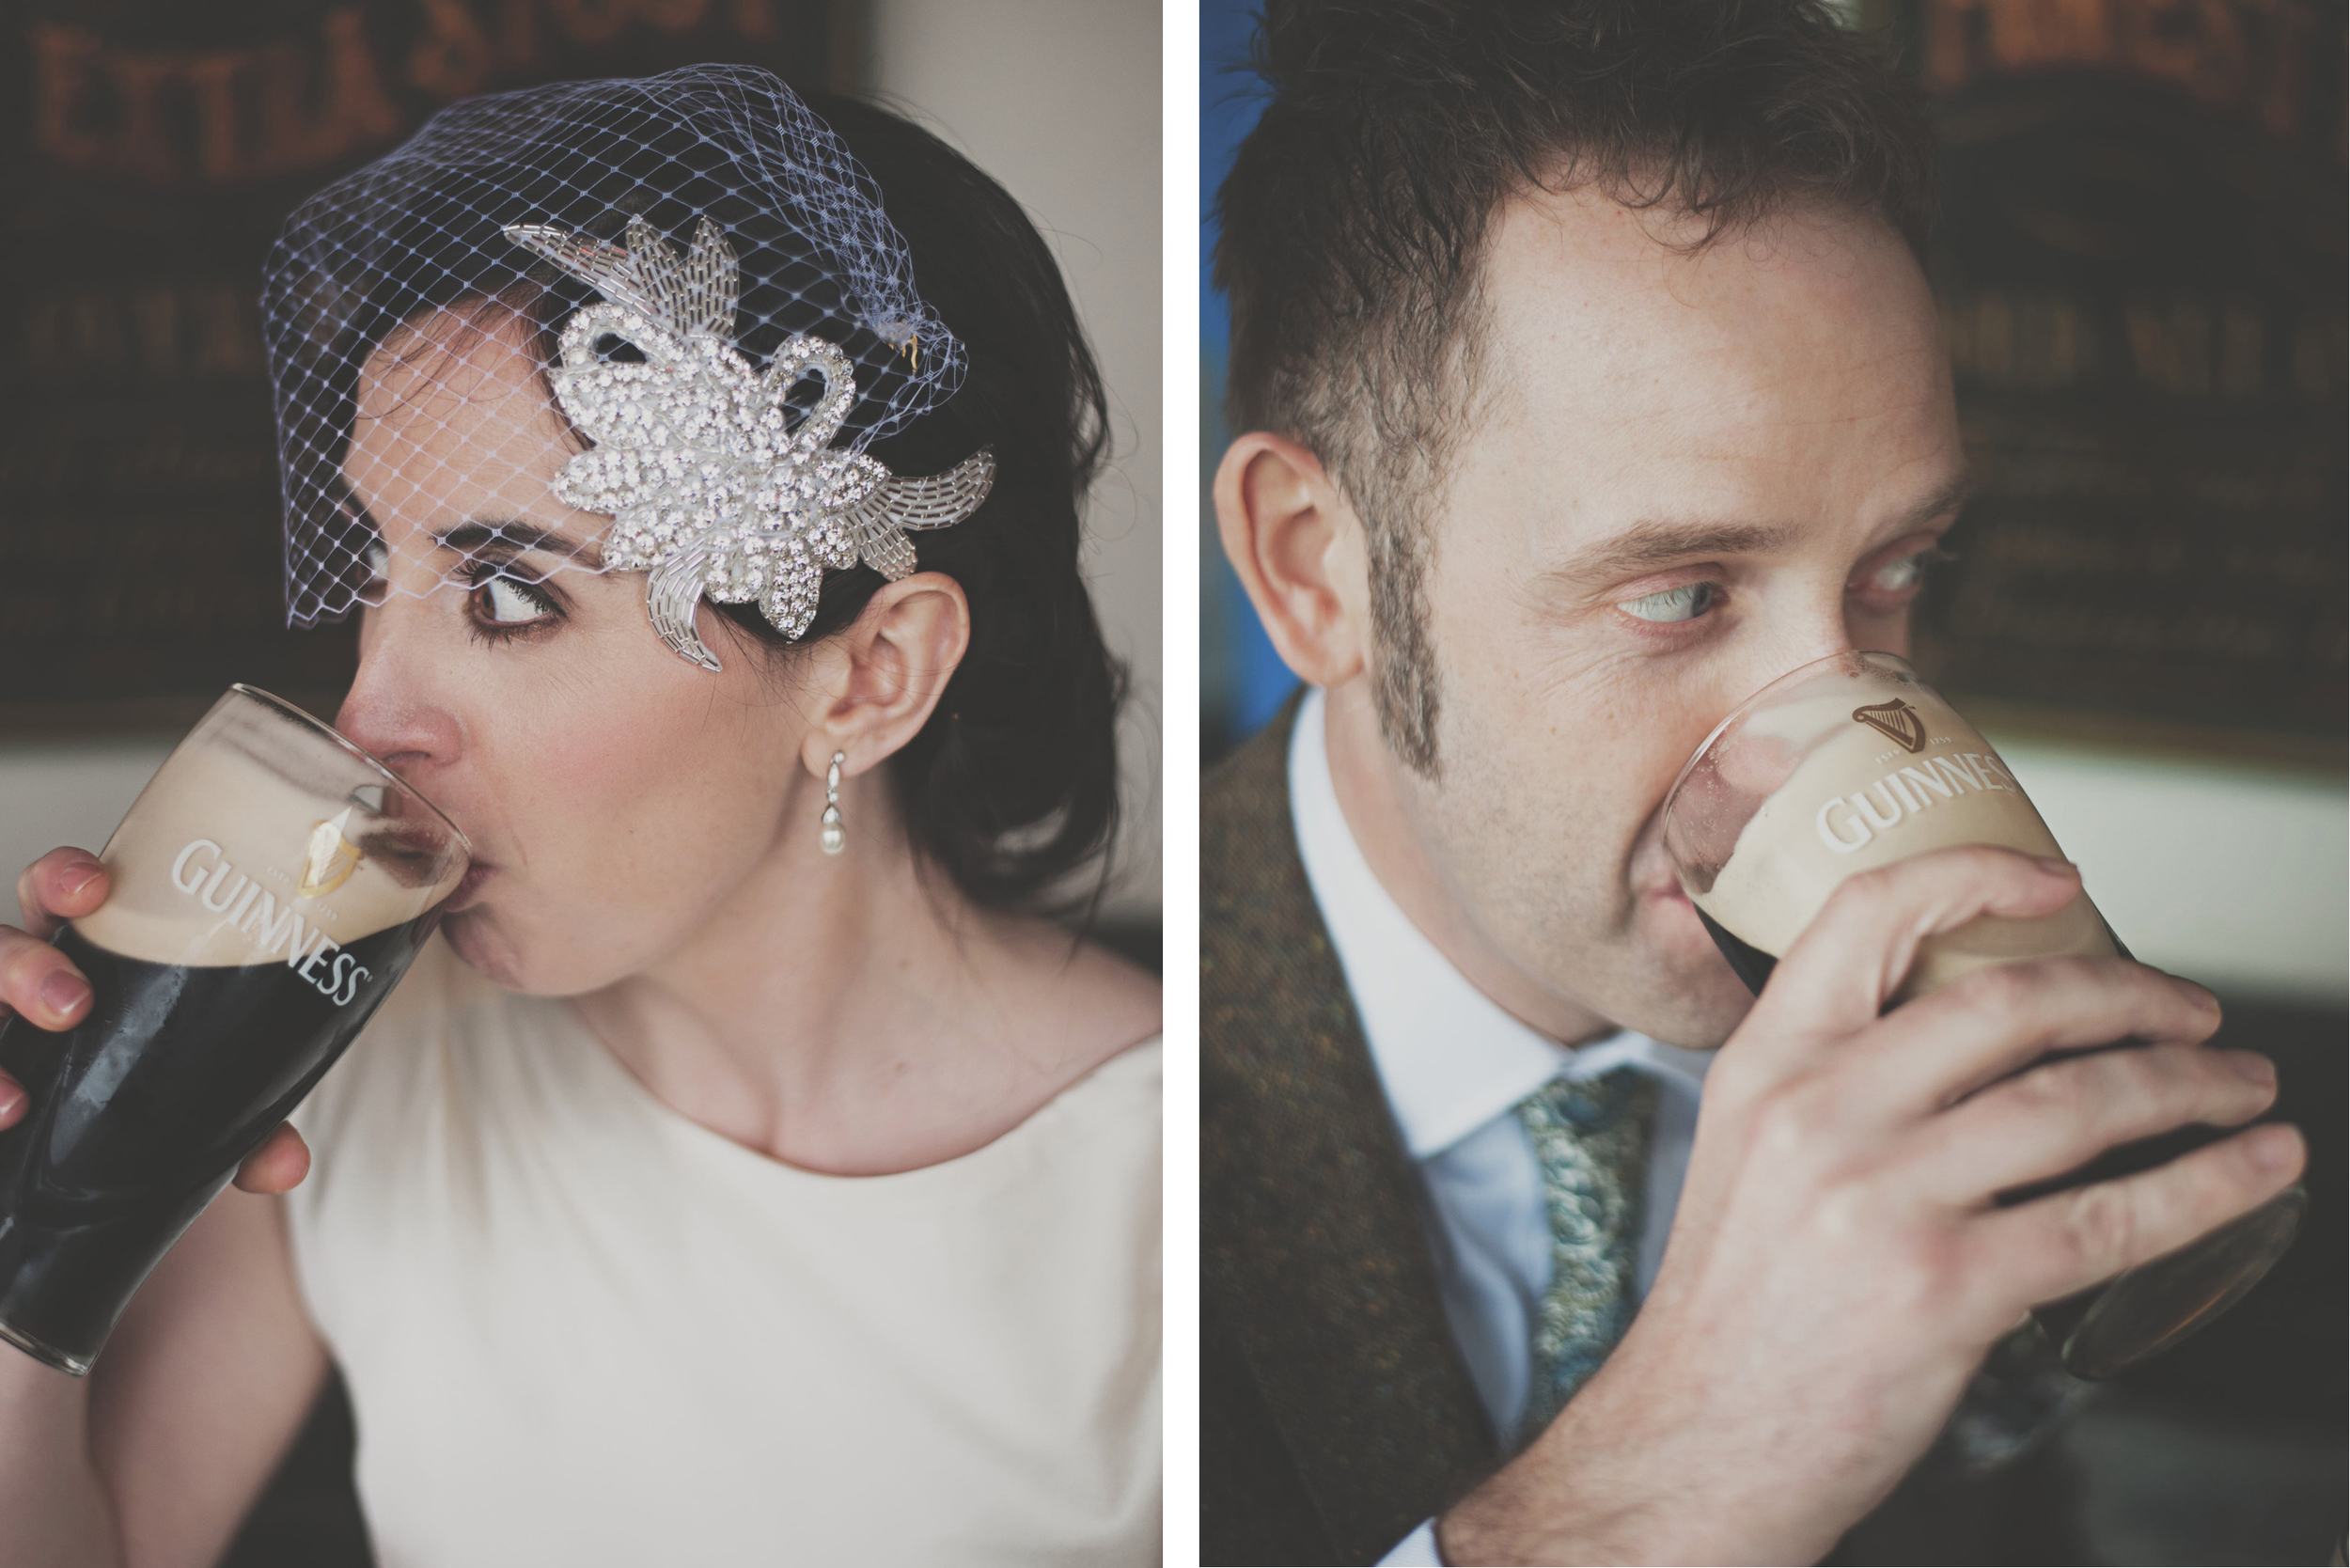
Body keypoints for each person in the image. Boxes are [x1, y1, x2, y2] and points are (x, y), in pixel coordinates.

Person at [0, 69, 1160, 1566]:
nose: (366, 722)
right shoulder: (346, 1072)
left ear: (870, 677)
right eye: (374, 577)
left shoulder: (1169, 1197)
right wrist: (35, 1230)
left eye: (505, 596)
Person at [1201, 3, 2302, 1563]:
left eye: (1897, 571)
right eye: (1681, 596)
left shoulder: (1930, 1050)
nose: (1821, 738)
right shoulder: (1113, 1118)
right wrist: (1640, 1503)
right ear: (1316, 576)